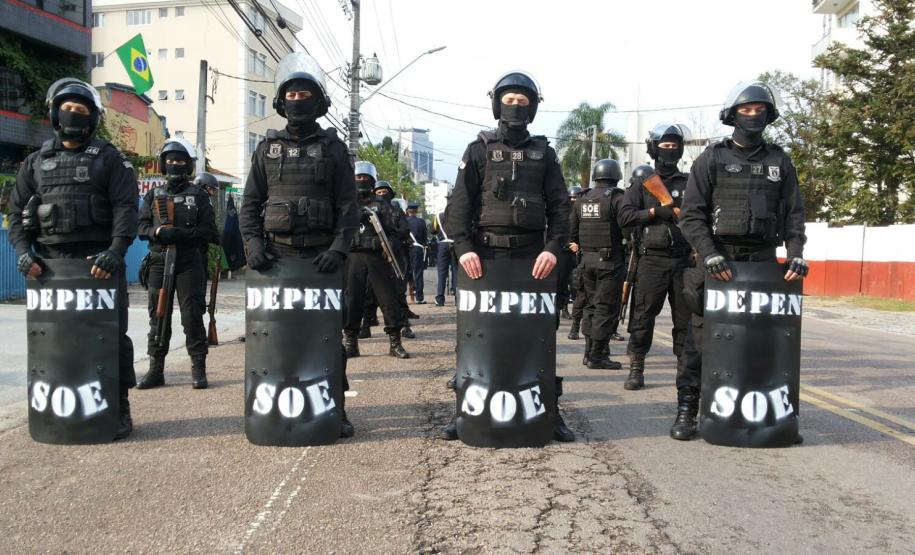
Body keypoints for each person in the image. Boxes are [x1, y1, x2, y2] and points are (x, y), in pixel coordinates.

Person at [443, 70, 574, 442]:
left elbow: (561, 208)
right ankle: (464, 410)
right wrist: (464, 248)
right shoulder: (478, 149)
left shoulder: (544, 154)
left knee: (538, 336)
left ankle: (549, 411)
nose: (515, 106)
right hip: (484, 258)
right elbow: (459, 205)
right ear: (497, 104)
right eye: (509, 100)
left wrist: (553, 249)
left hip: (533, 258)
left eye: (522, 101)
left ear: (532, 108)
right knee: (476, 336)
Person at [676, 81, 808, 440]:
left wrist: (796, 254)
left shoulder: (780, 161)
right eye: (746, 110)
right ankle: (687, 410)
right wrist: (709, 253)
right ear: (733, 115)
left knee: (763, 342)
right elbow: (691, 216)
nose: (753, 115)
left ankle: (773, 417)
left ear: (769, 115)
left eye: (759, 110)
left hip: (763, 264)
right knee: (701, 340)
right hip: (719, 262)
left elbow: (795, 216)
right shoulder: (712, 158)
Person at [8, 78, 138, 440]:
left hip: (100, 265)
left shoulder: (110, 159)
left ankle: (119, 407)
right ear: (54, 113)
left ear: (92, 118)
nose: (73, 115)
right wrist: (23, 253)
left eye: (81, 110)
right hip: (51, 268)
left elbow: (126, 209)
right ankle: (55, 414)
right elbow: (16, 215)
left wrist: (115, 251)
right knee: (55, 341)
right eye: (67, 109)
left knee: (111, 339)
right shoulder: (35, 163)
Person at [238, 52, 359, 437]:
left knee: (327, 337)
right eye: (291, 95)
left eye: (305, 94)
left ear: (318, 101)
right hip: (277, 259)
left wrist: (338, 249)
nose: (298, 100)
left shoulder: (334, 148)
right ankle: (268, 406)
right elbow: (250, 204)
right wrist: (253, 244)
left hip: (322, 260)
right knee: (275, 335)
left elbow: (348, 207)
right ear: (281, 101)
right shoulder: (267, 149)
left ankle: (335, 408)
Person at [136, 139, 219, 390]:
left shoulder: (199, 196)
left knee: (192, 315)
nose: (175, 164)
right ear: (163, 164)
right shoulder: (153, 195)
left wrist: (182, 235)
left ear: (188, 165)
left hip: (188, 261)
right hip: (159, 261)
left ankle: (198, 368)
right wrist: (158, 232)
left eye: (180, 161)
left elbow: (209, 231)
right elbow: (141, 228)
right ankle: (156, 369)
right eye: (170, 160)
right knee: (158, 315)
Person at [616, 123, 692, 392]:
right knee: (642, 316)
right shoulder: (643, 184)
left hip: (684, 261)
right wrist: (652, 213)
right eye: (664, 146)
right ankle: (636, 368)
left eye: (673, 146)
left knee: (685, 320)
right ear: (654, 150)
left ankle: (685, 371)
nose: (669, 150)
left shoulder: (690, 183)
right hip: (652, 261)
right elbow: (624, 217)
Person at [344, 163, 411, 359]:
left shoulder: (382, 205)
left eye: (366, 178)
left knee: (388, 299)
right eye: (359, 177)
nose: (362, 181)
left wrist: (384, 244)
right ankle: (351, 342)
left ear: (372, 180)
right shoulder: (347, 203)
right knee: (352, 300)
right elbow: (339, 230)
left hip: (378, 257)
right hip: (353, 256)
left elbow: (395, 233)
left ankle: (395, 343)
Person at [569, 159, 626, 370]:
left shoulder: (582, 199)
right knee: (606, 308)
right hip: (609, 262)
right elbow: (628, 228)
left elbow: (572, 232)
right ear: (617, 176)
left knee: (590, 307)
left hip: (586, 261)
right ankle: (597, 355)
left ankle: (588, 352)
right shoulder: (618, 198)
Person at [431, 201, 455, 307]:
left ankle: (440, 298)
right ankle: (457, 298)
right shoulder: (458, 215)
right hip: (455, 244)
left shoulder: (438, 216)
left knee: (442, 273)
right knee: (456, 271)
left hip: (443, 245)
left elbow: (433, 230)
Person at [406, 201, 428, 304]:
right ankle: (419, 297)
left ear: (408, 210)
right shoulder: (421, 222)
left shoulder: (404, 221)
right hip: (418, 249)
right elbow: (425, 237)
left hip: (406, 249)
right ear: (416, 210)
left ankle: (403, 297)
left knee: (406, 272)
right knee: (418, 273)